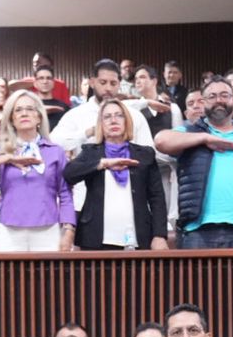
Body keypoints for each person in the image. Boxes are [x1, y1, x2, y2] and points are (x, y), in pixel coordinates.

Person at [154, 75, 233, 249]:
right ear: (204, 102)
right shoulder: (190, 132)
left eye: (224, 95)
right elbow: (161, 140)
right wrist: (204, 138)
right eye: (212, 96)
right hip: (196, 231)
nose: (218, 100)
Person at [0, 90, 73, 253]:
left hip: (48, 230)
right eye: (18, 110)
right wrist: (8, 158)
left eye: (30, 109)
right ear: (11, 119)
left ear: (39, 117)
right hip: (9, 232)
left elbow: (65, 194)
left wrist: (69, 231)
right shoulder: (2, 151)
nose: (24, 113)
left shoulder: (55, 151)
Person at [62, 97, 167, 251]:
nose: (113, 120)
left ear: (127, 121)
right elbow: (69, 174)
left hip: (138, 236)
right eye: (107, 117)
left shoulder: (144, 154)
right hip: (95, 238)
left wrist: (159, 235)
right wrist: (102, 164)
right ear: (101, 124)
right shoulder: (91, 152)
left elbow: (157, 197)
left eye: (119, 115)